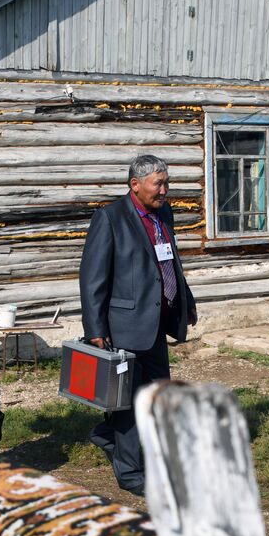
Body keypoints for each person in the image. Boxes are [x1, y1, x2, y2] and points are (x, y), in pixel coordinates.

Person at [78, 154, 197, 495]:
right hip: (124, 326)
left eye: (166, 183)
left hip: (156, 322)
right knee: (130, 401)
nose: (165, 190)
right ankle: (130, 472)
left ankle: (107, 435)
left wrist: (186, 301)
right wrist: (95, 330)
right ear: (135, 184)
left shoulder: (164, 214)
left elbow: (170, 263)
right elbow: (92, 279)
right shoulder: (110, 218)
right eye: (158, 184)